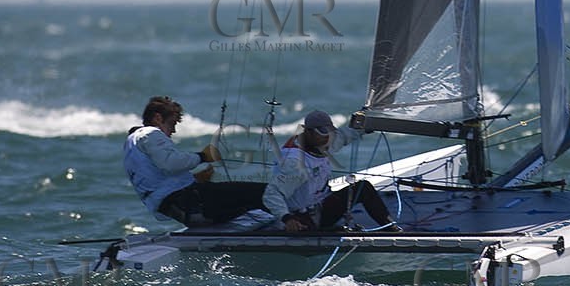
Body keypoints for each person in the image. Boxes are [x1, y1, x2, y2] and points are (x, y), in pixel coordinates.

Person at [123, 95, 272, 226]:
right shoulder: (150, 133)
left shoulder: (133, 143)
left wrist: (197, 178)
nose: (173, 131)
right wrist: (203, 156)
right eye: (172, 123)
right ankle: (292, 222)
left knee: (250, 201)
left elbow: (157, 181)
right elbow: (170, 163)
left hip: (184, 209)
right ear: (157, 118)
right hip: (192, 205)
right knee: (269, 192)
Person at [263, 109, 401, 232]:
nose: (327, 137)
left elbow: (346, 135)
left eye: (329, 132)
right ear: (308, 131)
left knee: (363, 188)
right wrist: (287, 219)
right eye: (322, 132)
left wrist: (369, 120)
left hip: (321, 205)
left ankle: (390, 227)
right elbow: (271, 194)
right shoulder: (295, 163)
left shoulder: (321, 142)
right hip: (302, 217)